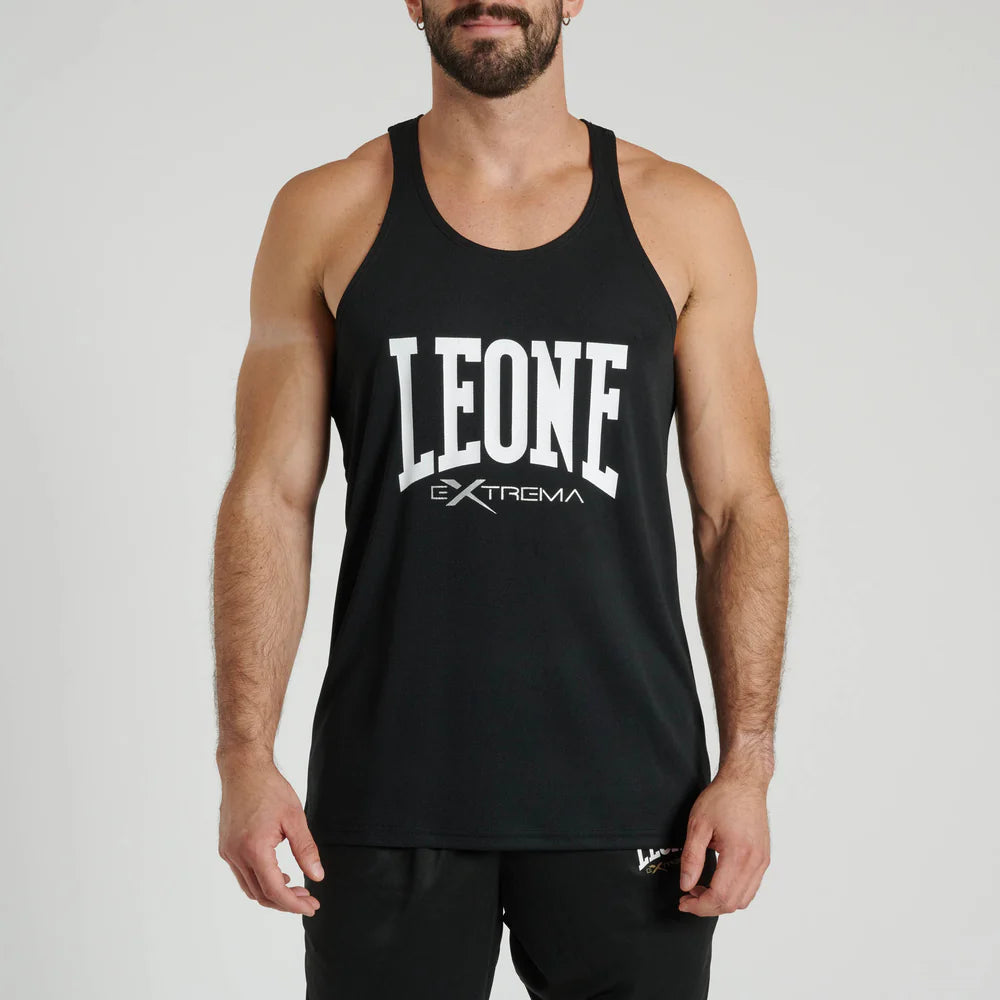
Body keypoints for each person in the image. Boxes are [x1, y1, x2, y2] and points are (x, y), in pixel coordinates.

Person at [212, 2, 790, 997]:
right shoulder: (328, 210)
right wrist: (242, 756)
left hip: (633, 793)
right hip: (390, 788)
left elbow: (736, 508)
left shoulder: (683, 215)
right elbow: (269, 496)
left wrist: (748, 765)